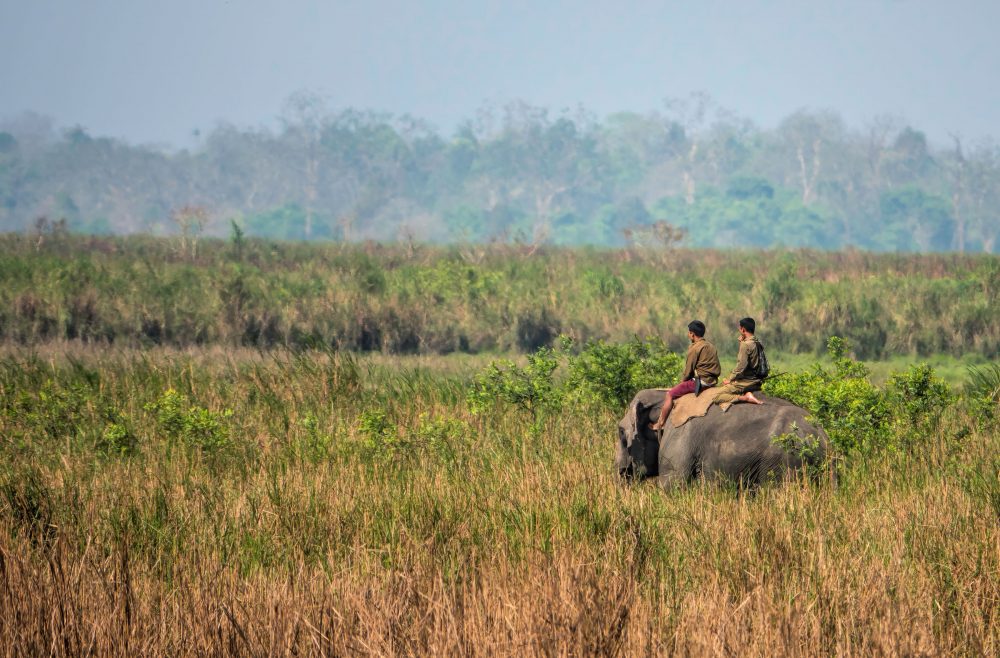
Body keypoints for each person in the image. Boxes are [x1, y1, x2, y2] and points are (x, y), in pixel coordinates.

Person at [650, 320, 721, 430]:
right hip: (713, 381)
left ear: (692, 334)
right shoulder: (711, 346)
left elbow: (688, 372)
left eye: (689, 332)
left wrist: (682, 383)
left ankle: (660, 423)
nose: (688, 335)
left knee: (670, 394)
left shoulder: (694, 348)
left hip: (702, 382)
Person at [714, 317, 767, 407]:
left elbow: (741, 367)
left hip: (747, 381)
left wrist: (730, 379)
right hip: (757, 380)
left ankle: (746, 398)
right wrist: (742, 343)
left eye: (740, 328)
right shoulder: (757, 342)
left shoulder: (745, 344)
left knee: (717, 396)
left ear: (743, 329)